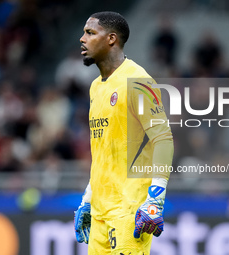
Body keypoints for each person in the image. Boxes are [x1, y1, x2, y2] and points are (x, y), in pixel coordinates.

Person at [74, 11, 174, 254]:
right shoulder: (96, 87)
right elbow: (103, 153)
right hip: (99, 213)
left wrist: (155, 199)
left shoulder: (137, 81)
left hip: (129, 212)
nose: (82, 39)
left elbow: (163, 139)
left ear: (111, 39)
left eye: (90, 33)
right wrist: (88, 198)